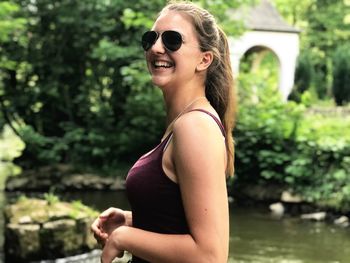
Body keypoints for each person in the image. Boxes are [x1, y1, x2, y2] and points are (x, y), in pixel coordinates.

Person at [91, 1, 236, 262]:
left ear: (204, 60)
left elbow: (210, 256)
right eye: (151, 38)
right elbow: (177, 224)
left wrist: (124, 237)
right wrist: (132, 221)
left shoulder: (194, 126)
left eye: (172, 40)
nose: (157, 48)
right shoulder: (182, 124)